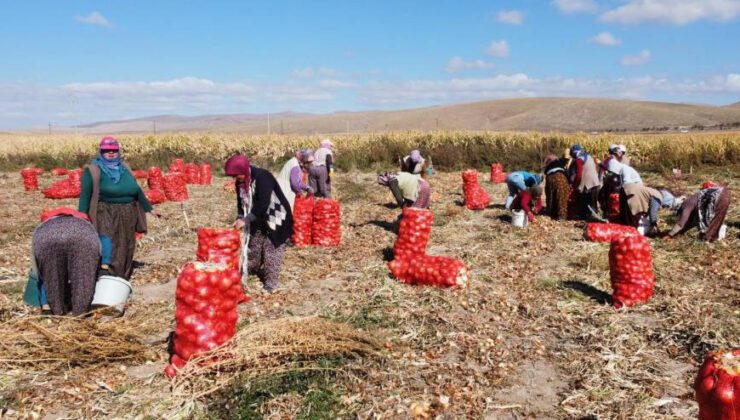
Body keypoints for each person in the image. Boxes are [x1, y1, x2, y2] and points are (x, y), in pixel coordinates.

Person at [79, 137, 159, 280]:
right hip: (106, 211)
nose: (111, 153)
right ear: (101, 152)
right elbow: (85, 195)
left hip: (129, 211)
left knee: (127, 242)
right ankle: (108, 276)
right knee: (109, 242)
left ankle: (123, 274)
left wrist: (149, 208)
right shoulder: (93, 170)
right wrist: (82, 217)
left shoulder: (124, 167)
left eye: (114, 150)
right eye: (107, 151)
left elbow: (137, 189)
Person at [225, 154, 293, 293]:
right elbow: (240, 203)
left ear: (243, 170)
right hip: (257, 217)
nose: (234, 179)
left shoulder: (263, 177)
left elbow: (263, 203)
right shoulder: (241, 182)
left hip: (275, 217)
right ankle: (250, 269)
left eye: (236, 175)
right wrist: (239, 216)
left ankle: (271, 284)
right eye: (232, 176)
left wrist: (246, 220)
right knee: (253, 247)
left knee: (271, 249)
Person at [25, 208, 111, 315]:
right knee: (83, 275)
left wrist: (43, 303)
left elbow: (41, 275)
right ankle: (81, 311)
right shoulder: (84, 221)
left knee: (50, 273)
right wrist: (104, 266)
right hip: (81, 235)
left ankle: (50, 309)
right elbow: (105, 239)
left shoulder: (45, 224)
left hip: (48, 237)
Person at [665, 185, 731, 242]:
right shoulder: (693, 203)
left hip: (719, 195)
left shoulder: (686, 204)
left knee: (712, 220)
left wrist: (670, 234)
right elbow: (690, 223)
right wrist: (679, 233)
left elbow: (681, 223)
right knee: (716, 219)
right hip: (725, 193)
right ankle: (712, 239)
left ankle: (707, 240)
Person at [568, 145, 601, 220]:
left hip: (588, 185)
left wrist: (575, 185)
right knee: (593, 205)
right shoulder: (588, 156)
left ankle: (587, 220)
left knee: (585, 204)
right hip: (595, 182)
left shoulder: (579, 160)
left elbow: (579, 175)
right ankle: (593, 221)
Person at [542, 155, 570, 220]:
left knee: (550, 196)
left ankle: (551, 213)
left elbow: (546, 172)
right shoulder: (560, 163)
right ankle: (561, 216)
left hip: (549, 178)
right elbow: (566, 173)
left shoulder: (548, 165)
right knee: (561, 197)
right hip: (561, 176)